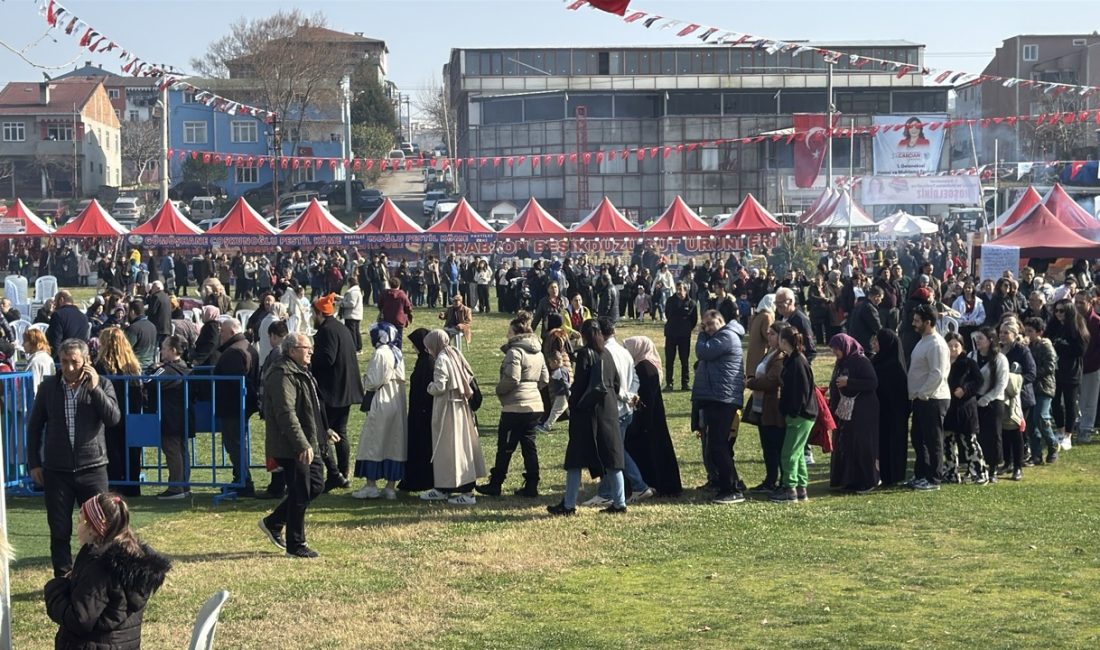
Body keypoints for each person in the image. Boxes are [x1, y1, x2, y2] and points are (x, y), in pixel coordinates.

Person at [26, 338, 121, 577]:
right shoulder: (49, 388)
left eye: (74, 362)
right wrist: (34, 463)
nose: (68, 368)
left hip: (93, 468)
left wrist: (95, 388)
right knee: (59, 529)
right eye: (64, 361)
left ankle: (98, 577)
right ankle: (63, 578)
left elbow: (113, 419)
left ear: (86, 361)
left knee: (100, 527)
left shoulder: (103, 385)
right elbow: (35, 426)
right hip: (57, 471)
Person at [44, 493, 171, 647]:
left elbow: (80, 620)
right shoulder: (135, 558)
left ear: (93, 529)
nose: (76, 527)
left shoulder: (100, 566)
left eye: (79, 521)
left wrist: (55, 591)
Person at [259, 333, 329, 559]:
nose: (310, 351)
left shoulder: (300, 371)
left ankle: (274, 521)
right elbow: (285, 413)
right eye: (305, 347)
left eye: (311, 347)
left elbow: (310, 408)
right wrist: (301, 444)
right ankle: (296, 545)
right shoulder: (281, 374)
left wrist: (324, 430)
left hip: (310, 441)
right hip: (291, 444)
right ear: (291, 350)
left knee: (315, 485)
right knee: (300, 491)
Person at [548, 319, 624, 516]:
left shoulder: (584, 354)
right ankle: (619, 501)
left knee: (575, 458)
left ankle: (569, 504)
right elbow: (616, 382)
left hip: (587, 412)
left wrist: (574, 405)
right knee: (612, 456)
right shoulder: (607, 354)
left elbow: (580, 385)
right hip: (608, 409)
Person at [477, 314, 548, 498]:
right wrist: (532, 389)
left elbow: (512, 378)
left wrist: (499, 390)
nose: (507, 335)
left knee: (506, 447)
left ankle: (496, 483)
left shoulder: (515, 352)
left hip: (515, 407)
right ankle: (532, 484)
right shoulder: (538, 352)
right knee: (529, 446)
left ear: (516, 333)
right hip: (535, 406)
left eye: (509, 331)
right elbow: (545, 379)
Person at [421, 329, 486, 505]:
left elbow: (440, 385)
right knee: (462, 447)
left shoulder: (441, 358)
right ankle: (448, 487)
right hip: (461, 407)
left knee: (449, 449)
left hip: (448, 409)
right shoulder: (454, 352)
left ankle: (457, 489)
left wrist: (429, 387)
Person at [692, 310, 746, 504]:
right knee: (717, 445)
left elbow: (702, 352)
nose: (707, 327)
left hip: (723, 398)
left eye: (711, 323)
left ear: (721, 321)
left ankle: (731, 488)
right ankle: (729, 482)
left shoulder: (726, 336)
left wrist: (701, 334)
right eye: (704, 324)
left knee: (719, 445)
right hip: (716, 397)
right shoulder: (719, 338)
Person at [310, 293, 362, 491]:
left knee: (323, 432)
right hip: (344, 388)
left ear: (319, 313)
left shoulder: (327, 331)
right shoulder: (339, 327)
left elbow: (327, 359)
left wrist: (309, 359)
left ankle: (335, 474)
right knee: (341, 432)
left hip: (333, 390)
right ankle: (342, 472)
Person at [352, 323, 409, 500]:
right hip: (397, 400)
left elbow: (373, 381)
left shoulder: (380, 353)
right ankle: (390, 486)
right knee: (394, 442)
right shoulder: (397, 352)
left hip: (382, 398)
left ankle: (371, 485)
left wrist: (364, 379)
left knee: (374, 442)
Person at [623, 335, 683, 496]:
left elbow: (646, 396)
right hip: (652, 416)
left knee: (651, 452)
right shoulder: (648, 364)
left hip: (648, 418)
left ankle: (651, 484)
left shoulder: (644, 367)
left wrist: (643, 421)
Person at [827, 334, 881, 493]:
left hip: (863, 410)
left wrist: (849, 382)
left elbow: (872, 383)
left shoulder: (861, 361)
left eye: (837, 349)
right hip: (846, 410)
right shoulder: (842, 362)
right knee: (848, 444)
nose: (835, 352)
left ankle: (868, 480)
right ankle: (850, 480)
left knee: (862, 444)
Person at [212, 317, 259, 497]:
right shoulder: (246, 347)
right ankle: (241, 478)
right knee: (237, 443)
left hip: (233, 406)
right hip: (241, 405)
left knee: (234, 443)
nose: (220, 336)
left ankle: (243, 480)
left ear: (231, 332)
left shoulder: (233, 352)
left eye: (222, 332)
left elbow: (234, 383)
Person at [95, 327, 145, 497]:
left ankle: (116, 485)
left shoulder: (101, 366)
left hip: (112, 412)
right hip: (131, 412)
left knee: (112, 449)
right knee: (131, 450)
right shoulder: (132, 365)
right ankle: (132, 485)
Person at [906, 304, 951, 490]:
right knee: (918, 437)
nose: (913, 324)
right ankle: (921, 474)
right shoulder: (923, 340)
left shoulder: (937, 344)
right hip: (921, 398)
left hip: (933, 398)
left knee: (933, 439)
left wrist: (923, 393)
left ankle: (934, 478)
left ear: (928, 322)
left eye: (917, 321)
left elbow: (937, 374)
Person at [773, 327, 817, 503]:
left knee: (789, 453)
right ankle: (801, 488)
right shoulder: (794, 360)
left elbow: (801, 392)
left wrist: (791, 412)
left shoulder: (797, 362)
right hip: (803, 414)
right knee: (797, 453)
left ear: (784, 342)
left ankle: (789, 489)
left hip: (800, 415)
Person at [745, 322, 788, 494]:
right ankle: (770, 480)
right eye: (768, 333)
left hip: (773, 407)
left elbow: (772, 381)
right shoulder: (769, 353)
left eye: (772, 334)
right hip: (762, 406)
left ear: (781, 337)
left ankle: (782, 481)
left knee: (776, 446)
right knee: (767, 446)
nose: (768, 336)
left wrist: (751, 383)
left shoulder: (781, 356)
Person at [942, 331, 987, 484]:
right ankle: (951, 472)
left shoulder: (968, 363)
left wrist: (965, 389)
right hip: (948, 408)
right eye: (950, 346)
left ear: (962, 347)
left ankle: (979, 471)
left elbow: (979, 381)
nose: (953, 349)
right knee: (948, 443)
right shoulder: (943, 363)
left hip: (965, 408)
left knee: (969, 442)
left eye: (956, 345)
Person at [149, 336, 191, 499]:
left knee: (172, 450)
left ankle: (175, 487)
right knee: (181, 450)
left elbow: (149, 382)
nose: (161, 351)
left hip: (170, 415)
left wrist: (153, 369)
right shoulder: (185, 367)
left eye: (164, 348)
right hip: (182, 414)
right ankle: (183, 485)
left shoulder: (168, 370)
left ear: (173, 350)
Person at [870, 329, 911, 487]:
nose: (875, 345)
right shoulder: (877, 361)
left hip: (895, 413)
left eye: (878, 342)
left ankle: (896, 475)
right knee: (883, 443)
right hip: (882, 411)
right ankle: (884, 474)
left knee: (895, 444)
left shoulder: (895, 366)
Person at [397, 329, 435, 493]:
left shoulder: (427, 362)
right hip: (418, 410)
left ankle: (420, 481)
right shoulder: (423, 360)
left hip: (423, 412)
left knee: (422, 447)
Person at [971, 326, 1009, 483]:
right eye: (977, 338)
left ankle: (993, 468)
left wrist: (986, 399)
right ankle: (977, 466)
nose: (977, 341)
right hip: (975, 401)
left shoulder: (1000, 359)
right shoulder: (972, 356)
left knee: (993, 435)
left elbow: (1001, 384)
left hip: (993, 402)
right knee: (976, 435)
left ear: (990, 340)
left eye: (981, 338)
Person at [1048, 298, 1085, 453]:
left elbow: (1081, 350)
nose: (1058, 314)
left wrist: (1064, 346)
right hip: (1056, 370)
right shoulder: (1053, 326)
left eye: (1062, 311)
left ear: (1069, 311)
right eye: (1056, 310)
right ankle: (1060, 431)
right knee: (1055, 402)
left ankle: (1069, 435)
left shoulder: (1077, 327)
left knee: (1070, 403)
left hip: (1071, 371)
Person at [1023, 317, 1058, 466]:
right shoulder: (1027, 346)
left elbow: (1050, 367)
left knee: (1041, 417)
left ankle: (1052, 443)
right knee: (1031, 422)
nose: (1027, 334)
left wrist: (1033, 374)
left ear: (1039, 332)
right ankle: (1036, 453)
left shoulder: (1046, 346)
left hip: (1044, 386)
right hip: (1031, 388)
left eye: (1030, 332)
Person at [537, 321, 573, 433]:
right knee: (566, 408)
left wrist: (568, 390)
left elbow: (564, 384)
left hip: (562, 392)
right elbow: (570, 350)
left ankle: (547, 425)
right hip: (566, 370)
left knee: (557, 409)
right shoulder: (562, 335)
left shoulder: (554, 337)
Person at [664, 282, 698, 391]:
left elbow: (694, 320)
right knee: (669, 360)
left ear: (685, 290)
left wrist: (686, 328)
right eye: (677, 289)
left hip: (684, 336)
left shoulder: (691, 303)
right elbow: (667, 313)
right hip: (671, 334)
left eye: (681, 289)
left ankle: (685, 383)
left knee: (684, 360)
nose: (679, 291)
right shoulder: (670, 301)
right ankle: (669, 383)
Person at [46, 290, 90, 358]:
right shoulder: (83, 317)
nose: (54, 305)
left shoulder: (58, 315)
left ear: (61, 300)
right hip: (79, 356)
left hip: (63, 357)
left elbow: (55, 342)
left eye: (55, 302)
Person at [746, 294, 776, 379]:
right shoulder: (767, 316)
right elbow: (768, 336)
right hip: (761, 354)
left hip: (753, 354)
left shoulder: (756, 316)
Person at [378, 276, 414, 344]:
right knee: (398, 339)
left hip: (387, 319)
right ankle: (397, 353)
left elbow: (380, 305)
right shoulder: (402, 295)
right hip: (399, 320)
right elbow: (408, 307)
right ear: (399, 285)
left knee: (387, 339)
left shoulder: (384, 294)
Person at [847, 286, 883, 352]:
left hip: (855, 339)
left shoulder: (859, 305)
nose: (881, 301)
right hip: (865, 342)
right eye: (881, 298)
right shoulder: (870, 308)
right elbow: (876, 326)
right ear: (876, 297)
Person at [125, 301, 158, 370]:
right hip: (150, 366)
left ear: (132, 312)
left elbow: (125, 348)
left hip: (135, 367)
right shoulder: (153, 326)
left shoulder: (133, 328)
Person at [23, 327, 56, 394]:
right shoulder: (48, 358)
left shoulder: (35, 362)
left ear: (33, 342)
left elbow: (33, 388)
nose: (22, 344)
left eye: (25, 341)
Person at [339, 275, 364, 353]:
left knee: (352, 332)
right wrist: (340, 297)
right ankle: (358, 347)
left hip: (351, 315)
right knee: (356, 331)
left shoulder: (352, 292)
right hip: (356, 315)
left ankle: (354, 347)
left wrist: (341, 304)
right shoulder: (356, 291)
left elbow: (351, 303)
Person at [145, 280, 173, 344]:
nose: (151, 290)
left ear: (157, 288)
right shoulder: (167, 297)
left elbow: (152, 311)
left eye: (152, 288)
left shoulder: (156, 296)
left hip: (158, 328)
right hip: (167, 328)